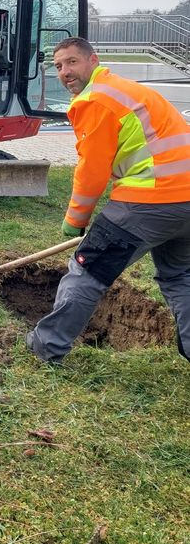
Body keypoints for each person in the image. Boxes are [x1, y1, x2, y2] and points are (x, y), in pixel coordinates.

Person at [26, 37, 190, 364]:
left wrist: (75, 219)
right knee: (179, 276)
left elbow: (92, 170)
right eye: (58, 66)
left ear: (92, 60)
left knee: (88, 271)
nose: (65, 71)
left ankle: (46, 347)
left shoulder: (96, 100)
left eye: (72, 62)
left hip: (151, 197)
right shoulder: (125, 89)